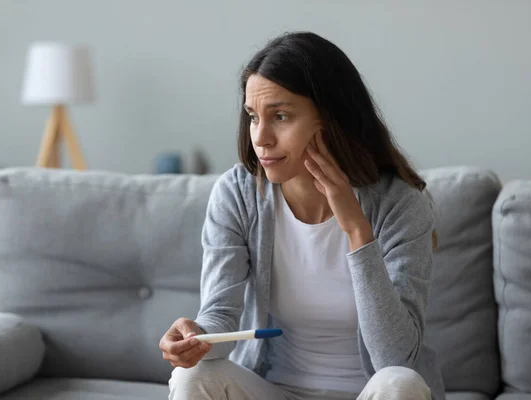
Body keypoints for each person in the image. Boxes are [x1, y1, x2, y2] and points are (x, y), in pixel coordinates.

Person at [160, 31, 445, 400]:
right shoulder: (239, 194)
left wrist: (357, 229)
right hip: (274, 390)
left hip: (371, 394)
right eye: (252, 116)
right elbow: (220, 316)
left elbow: (395, 357)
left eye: (280, 116)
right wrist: (194, 338)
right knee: (193, 377)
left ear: (329, 119)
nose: (261, 137)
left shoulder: (399, 204)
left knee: (400, 383)